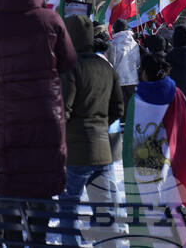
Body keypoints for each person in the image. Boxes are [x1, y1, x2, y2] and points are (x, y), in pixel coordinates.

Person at [0, 0, 76, 245]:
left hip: (8, 117)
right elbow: (69, 62)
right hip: (48, 116)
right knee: (42, 185)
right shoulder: (51, 20)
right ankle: (38, 240)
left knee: (11, 182)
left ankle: (14, 239)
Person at [59, 15, 125, 246]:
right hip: (103, 148)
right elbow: (118, 107)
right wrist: (100, 126)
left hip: (77, 151)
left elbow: (63, 110)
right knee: (105, 210)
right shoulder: (105, 66)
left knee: (68, 209)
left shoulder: (71, 68)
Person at [123, 53, 186, 244]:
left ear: (145, 73)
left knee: (148, 210)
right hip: (175, 161)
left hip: (145, 167)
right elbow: (185, 127)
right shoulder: (177, 93)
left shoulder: (138, 99)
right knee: (177, 203)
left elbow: (129, 143)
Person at [109, 19, 140, 110]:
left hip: (118, 81)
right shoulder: (135, 44)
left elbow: (111, 63)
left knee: (120, 108)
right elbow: (138, 62)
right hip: (133, 80)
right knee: (131, 109)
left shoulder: (114, 44)